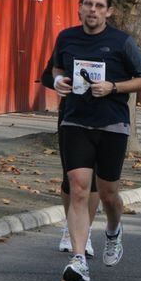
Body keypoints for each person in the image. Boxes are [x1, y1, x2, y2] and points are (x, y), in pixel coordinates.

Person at [51, 0, 141, 281]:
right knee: (79, 188)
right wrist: (59, 81)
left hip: (112, 124)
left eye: (99, 5)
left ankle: (113, 229)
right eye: (88, 5)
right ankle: (79, 258)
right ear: (80, 8)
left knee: (108, 194)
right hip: (75, 121)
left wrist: (113, 87)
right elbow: (57, 68)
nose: (92, 10)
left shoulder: (121, 42)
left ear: (108, 11)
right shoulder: (66, 38)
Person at [40, 58, 98, 257]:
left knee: (94, 180)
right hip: (71, 116)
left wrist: (113, 87)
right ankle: (71, 225)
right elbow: (47, 76)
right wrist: (58, 83)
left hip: (105, 118)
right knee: (71, 179)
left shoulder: (115, 41)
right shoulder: (69, 42)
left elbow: (135, 77)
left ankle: (86, 232)